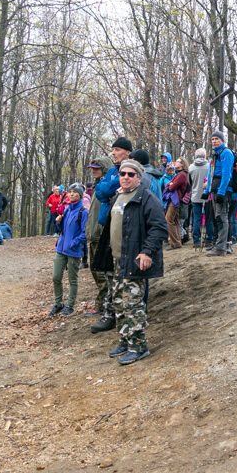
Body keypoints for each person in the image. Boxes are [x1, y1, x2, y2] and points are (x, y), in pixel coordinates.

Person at [92, 159, 167, 365]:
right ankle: (125, 340)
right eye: (123, 173)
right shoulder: (118, 196)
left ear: (139, 178)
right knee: (118, 302)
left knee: (132, 304)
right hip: (116, 260)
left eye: (130, 174)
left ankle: (138, 346)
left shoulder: (146, 197)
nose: (125, 177)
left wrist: (147, 252)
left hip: (134, 260)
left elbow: (159, 227)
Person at [90, 136, 133, 333]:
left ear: (127, 152)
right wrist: (105, 188)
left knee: (122, 277)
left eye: (117, 149)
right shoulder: (112, 172)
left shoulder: (129, 171)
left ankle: (123, 316)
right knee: (106, 272)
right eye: (113, 149)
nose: (113, 153)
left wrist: (107, 189)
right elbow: (102, 190)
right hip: (107, 228)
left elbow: (109, 190)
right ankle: (110, 312)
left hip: (123, 231)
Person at [48, 183, 89, 317]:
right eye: (70, 192)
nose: (71, 194)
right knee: (56, 277)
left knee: (72, 279)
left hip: (74, 251)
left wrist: (73, 243)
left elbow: (84, 233)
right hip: (61, 249)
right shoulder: (66, 210)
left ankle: (70, 305)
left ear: (80, 195)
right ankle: (58, 303)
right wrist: (58, 222)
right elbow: (62, 231)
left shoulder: (83, 212)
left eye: (74, 192)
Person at [84, 158, 113, 317]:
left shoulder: (106, 187)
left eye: (97, 168)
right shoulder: (97, 187)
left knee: (101, 273)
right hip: (93, 234)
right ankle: (102, 303)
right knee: (95, 270)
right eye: (92, 168)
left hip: (101, 235)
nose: (93, 170)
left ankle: (102, 305)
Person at [206, 131, 234, 257]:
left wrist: (222, 191)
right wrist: (206, 191)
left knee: (221, 216)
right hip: (214, 188)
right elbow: (210, 173)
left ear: (222, 140)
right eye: (212, 139)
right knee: (216, 217)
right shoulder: (214, 155)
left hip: (222, 189)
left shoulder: (226, 153)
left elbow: (227, 173)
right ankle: (218, 244)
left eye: (217, 139)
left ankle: (222, 247)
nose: (214, 141)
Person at [189, 148, 213, 247]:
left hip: (195, 195)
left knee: (196, 219)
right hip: (207, 195)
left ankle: (196, 240)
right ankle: (209, 239)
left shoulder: (191, 167)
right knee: (209, 218)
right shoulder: (209, 166)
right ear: (204, 156)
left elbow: (189, 182)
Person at [163, 157, 189, 250]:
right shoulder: (178, 174)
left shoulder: (182, 175)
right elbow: (168, 184)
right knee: (175, 221)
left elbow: (171, 187)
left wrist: (170, 185)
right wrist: (170, 184)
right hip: (175, 199)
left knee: (168, 220)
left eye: (178, 161)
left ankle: (175, 243)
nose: (176, 162)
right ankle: (177, 241)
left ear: (182, 164)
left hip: (175, 200)